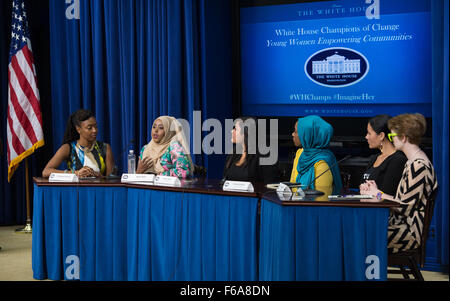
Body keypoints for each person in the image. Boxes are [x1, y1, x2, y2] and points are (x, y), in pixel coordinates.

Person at [362, 113, 438, 254]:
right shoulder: (413, 162)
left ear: (403, 138)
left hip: (409, 232)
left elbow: (404, 207)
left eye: (392, 137)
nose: (391, 140)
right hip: (400, 225)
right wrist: (377, 191)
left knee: (359, 233)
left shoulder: (418, 166)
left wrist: (377, 194)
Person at [42, 109, 115, 178]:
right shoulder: (69, 148)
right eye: (89, 128)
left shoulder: (105, 147)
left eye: (96, 126)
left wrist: (99, 176)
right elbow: (46, 172)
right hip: (76, 190)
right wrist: (76, 173)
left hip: (99, 190)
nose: (94, 130)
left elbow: (112, 179)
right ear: (78, 129)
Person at [290, 115, 343, 195]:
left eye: (296, 132)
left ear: (308, 135)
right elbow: (292, 186)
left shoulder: (322, 163)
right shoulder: (300, 153)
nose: (293, 134)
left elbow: (321, 200)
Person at [359, 115, 407, 196]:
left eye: (369, 133)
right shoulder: (374, 158)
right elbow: (362, 183)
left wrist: (372, 191)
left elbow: (388, 194)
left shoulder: (398, 160)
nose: (366, 137)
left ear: (381, 135)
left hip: (382, 208)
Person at [222, 117, 262, 184]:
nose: (232, 131)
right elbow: (225, 181)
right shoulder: (233, 153)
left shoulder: (262, 156)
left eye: (235, 129)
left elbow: (269, 187)